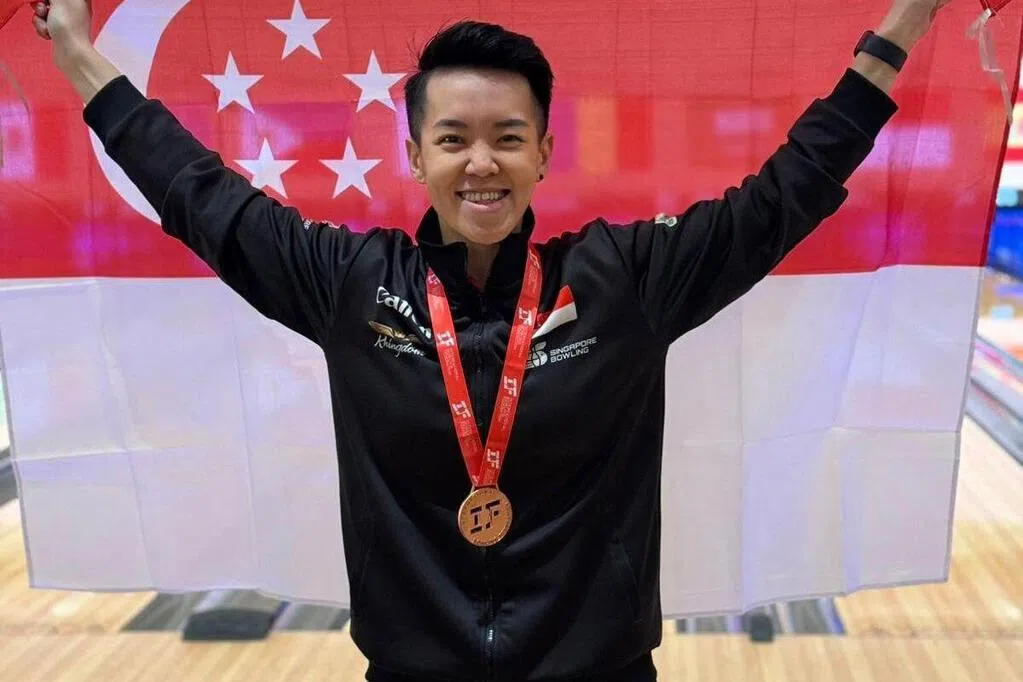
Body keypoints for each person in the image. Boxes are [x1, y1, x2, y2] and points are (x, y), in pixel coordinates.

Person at [31, 0, 952, 679]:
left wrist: (903, 24)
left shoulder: (624, 280)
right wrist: (75, 52)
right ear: (415, 156)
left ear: (543, 154)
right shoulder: (352, 285)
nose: (482, 162)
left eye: (508, 137)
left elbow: (786, 192)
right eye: (453, 138)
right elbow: (197, 193)